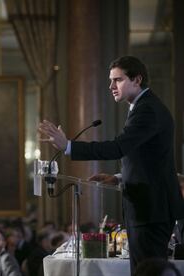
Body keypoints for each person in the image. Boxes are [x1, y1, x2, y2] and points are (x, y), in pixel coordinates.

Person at [38, 55, 184, 274]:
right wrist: (117, 177)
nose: (111, 86)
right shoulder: (142, 106)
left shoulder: (147, 109)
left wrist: (68, 146)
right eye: (110, 80)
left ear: (137, 79)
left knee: (148, 272)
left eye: (117, 80)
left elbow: (117, 148)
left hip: (151, 210)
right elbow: (147, 160)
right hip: (149, 209)